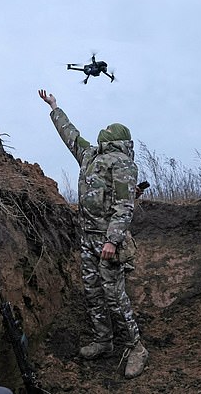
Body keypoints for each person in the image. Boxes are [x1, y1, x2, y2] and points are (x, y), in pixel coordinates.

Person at [38, 89, 148, 379]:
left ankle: (136, 348)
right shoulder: (89, 155)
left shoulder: (123, 164)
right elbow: (70, 135)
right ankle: (104, 341)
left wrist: (113, 240)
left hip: (107, 243)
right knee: (92, 292)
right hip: (87, 240)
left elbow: (125, 206)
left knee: (114, 294)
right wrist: (54, 107)